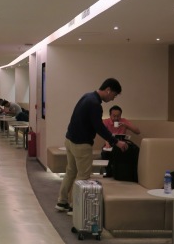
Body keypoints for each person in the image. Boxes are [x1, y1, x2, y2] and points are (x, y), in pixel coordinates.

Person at [55, 78, 129, 214]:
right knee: (83, 177)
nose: (113, 99)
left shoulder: (87, 96)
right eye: (114, 95)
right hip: (81, 144)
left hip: (70, 140)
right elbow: (99, 127)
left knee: (70, 171)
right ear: (108, 90)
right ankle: (75, 207)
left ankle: (62, 201)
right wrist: (116, 142)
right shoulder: (95, 104)